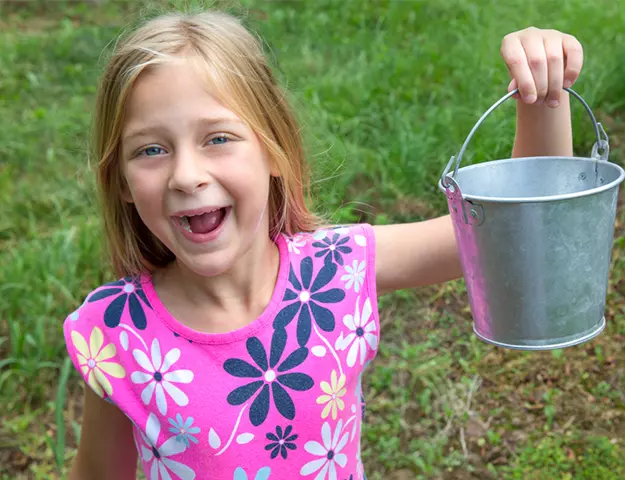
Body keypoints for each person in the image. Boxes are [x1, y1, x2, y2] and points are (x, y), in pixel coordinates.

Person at [62, 9, 583, 480]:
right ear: (124, 184)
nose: (186, 175)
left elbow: (509, 239)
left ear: (274, 149)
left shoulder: (337, 271)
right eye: (150, 149)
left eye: (217, 138)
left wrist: (545, 96)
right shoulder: (116, 335)